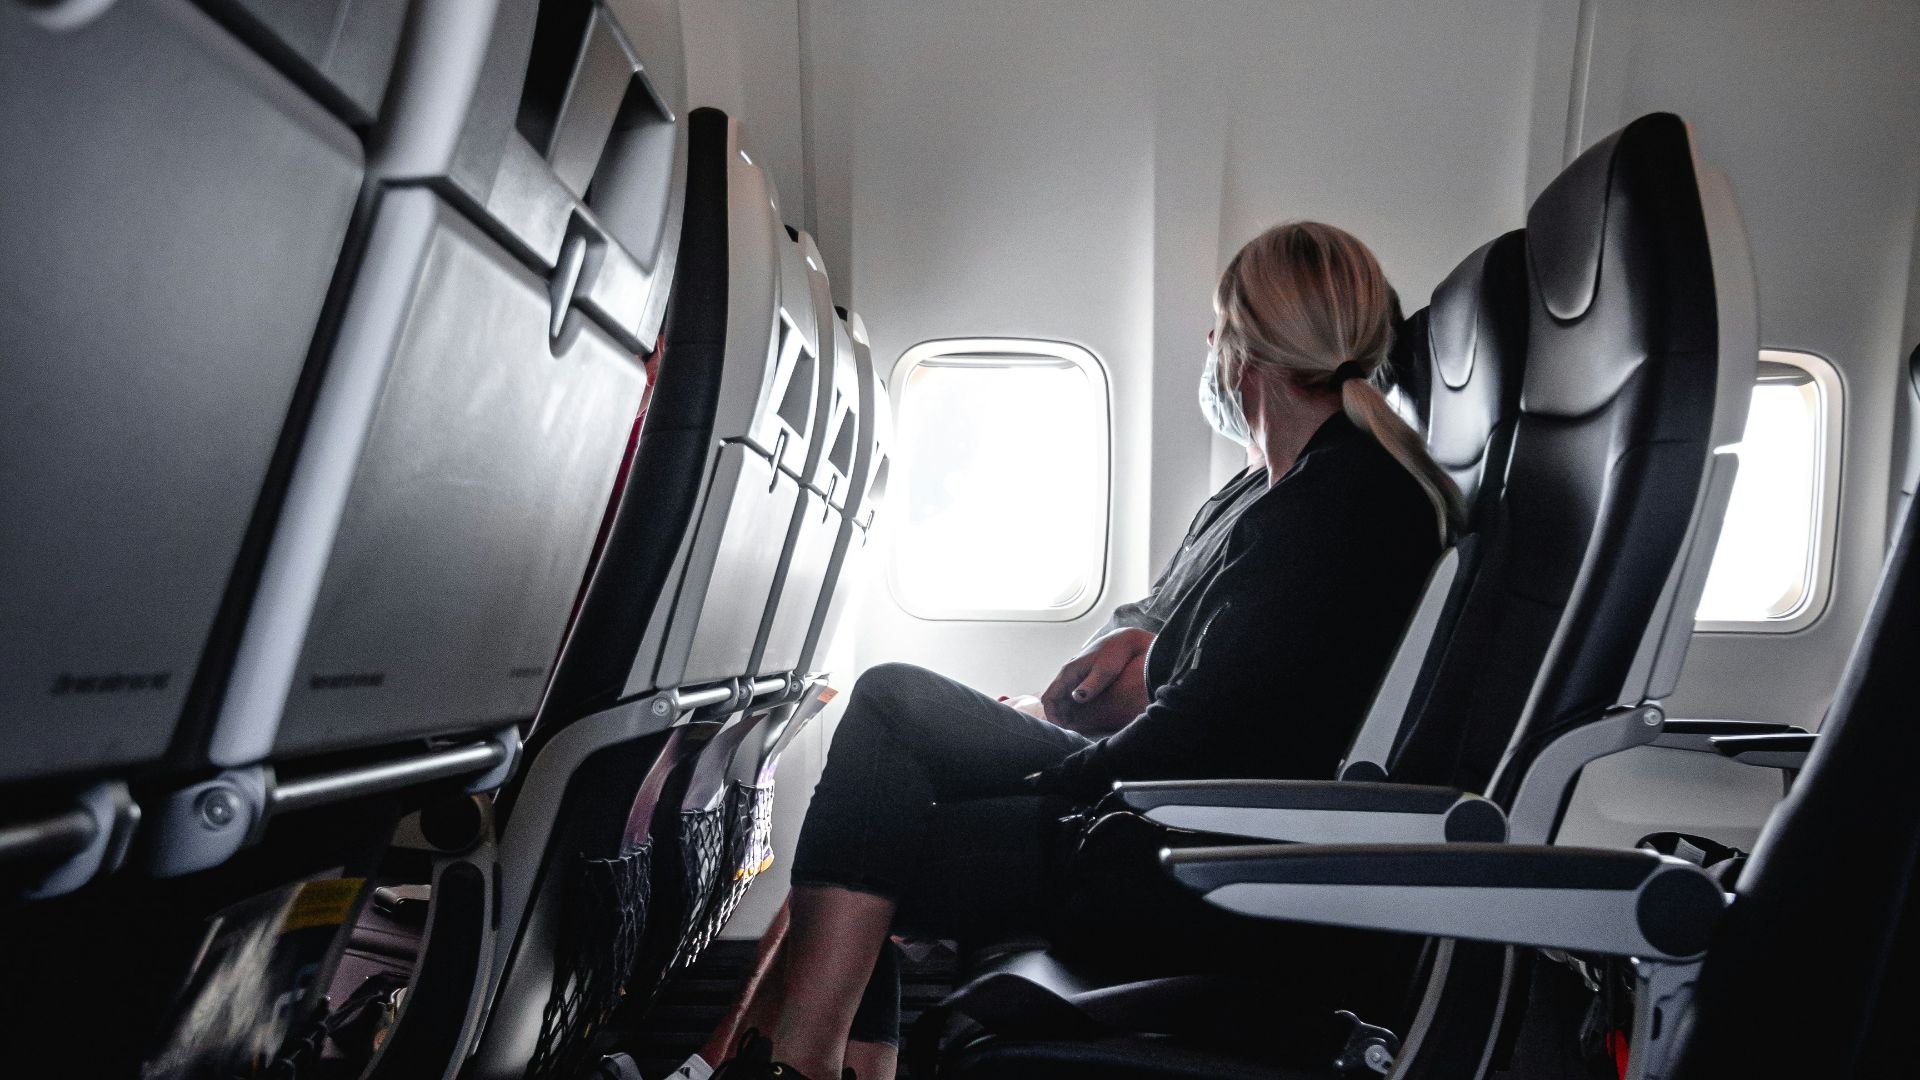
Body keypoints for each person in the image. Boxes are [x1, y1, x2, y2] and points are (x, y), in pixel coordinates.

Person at [710, 222, 1460, 1080]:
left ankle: (804, 1065)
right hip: (1174, 817)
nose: (1209, 345)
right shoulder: (1275, 491)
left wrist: (1049, 775)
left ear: (1248, 351)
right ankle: (824, 1066)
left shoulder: (1338, 509)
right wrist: (1109, 662)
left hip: (1201, 855)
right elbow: (1198, 646)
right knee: (890, 748)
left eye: (1220, 325)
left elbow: (1210, 732)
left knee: (886, 754)